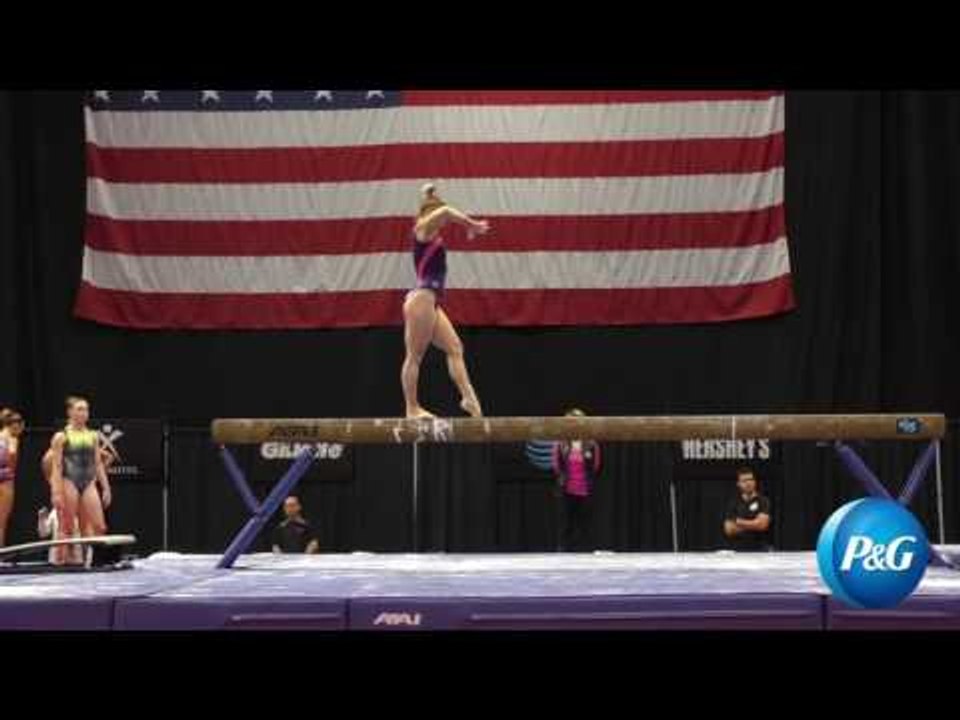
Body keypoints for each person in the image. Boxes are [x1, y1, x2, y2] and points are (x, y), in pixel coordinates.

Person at [401, 182, 490, 419]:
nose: (443, 225)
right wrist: (470, 224)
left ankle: (469, 398)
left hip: (430, 301)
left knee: (455, 348)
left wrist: (429, 195)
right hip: (421, 298)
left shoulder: (430, 233)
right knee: (414, 356)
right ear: (429, 216)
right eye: (439, 221)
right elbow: (445, 212)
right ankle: (412, 407)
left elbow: (441, 211)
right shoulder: (421, 229)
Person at [47, 396, 113, 565]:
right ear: (69, 412)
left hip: (89, 483)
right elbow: (56, 467)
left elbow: (98, 464)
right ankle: (62, 564)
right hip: (69, 482)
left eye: (86, 409)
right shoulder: (60, 437)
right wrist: (56, 492)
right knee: (67, 528)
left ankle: (96, 562)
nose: (84, 413)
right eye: (79, 409)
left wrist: (106, 488)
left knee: (99, 526)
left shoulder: (93, 436)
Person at [552, 408, 602, 551]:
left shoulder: (591, 444)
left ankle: (586, 551)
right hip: (567, 489)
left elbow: (596, 465)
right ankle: (563, 551)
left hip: (585, 489)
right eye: (571, 423)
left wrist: (587, 479)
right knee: (565, 525)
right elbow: (556, 465)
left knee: (585, 525)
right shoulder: (560, 444)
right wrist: (563, 478)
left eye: (578, 422)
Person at [723, 467, 772, 551]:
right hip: (738, 551)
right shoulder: (733, 503)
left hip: (760, 551)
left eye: (750, 479)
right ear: (738, 484)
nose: (748, 483)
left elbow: (762, 525)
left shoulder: (763, 501)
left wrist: (738, 521)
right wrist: (754, 524)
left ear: (755, 482)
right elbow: (729, 529)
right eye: (744, 481)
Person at [0, 408, 24, 547]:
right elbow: (12, 459)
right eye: (20, 425)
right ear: (14, 424)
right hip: (5, 481)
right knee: (1, 522)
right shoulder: (13, 439)